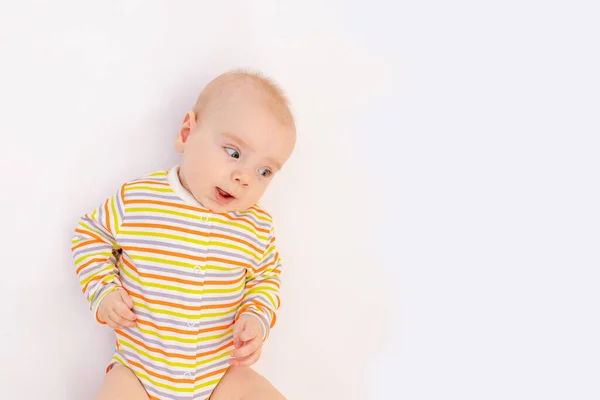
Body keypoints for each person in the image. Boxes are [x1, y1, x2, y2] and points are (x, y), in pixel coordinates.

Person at [71, 70, 296, 400]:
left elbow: (266, 278)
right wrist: (103, 291)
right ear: (187, 133)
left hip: (218, 375)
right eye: (234, 153)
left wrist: (255, 317)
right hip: (139, 371)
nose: (244, 177)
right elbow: (90, 235)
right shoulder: (140, 199)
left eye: (264, 171)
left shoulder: (256, 226)